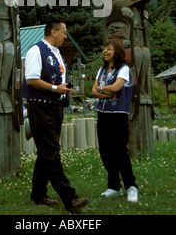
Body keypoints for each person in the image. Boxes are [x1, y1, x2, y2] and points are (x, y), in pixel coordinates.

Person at [22, 18, 89, 211]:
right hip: (40, 107)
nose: (65, 36)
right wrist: (54, 88)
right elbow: (32, 79)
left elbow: (56, 78)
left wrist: (64, 88)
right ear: (53, 32)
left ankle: (38, 194)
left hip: (55, 107)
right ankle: (70, 198)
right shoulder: (36, 50)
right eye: (64, 32)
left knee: (46, 151)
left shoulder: (57, 53)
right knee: (51, 152)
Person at [92, 39, 138, 203]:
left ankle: (131, 186)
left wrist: (102, 89)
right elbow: (93, 90)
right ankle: (114, 186)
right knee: (105, 151)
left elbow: (116, 87)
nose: (105, 51)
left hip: (118, 114)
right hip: (103, 113)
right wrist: (106, 92)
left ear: (117, 52)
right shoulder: (102, 70)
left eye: (109, 49)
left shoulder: (124, 69)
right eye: (104, 48)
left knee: (119, 151)